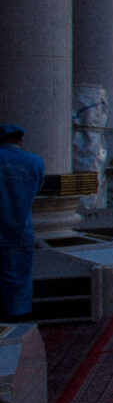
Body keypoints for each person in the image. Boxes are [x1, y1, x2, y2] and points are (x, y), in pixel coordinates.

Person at [0, 126, 41, 321]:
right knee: (20, 277)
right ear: (20, 140)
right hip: (21, 229)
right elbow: (37, 189)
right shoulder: (34, 161)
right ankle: (19, 317)